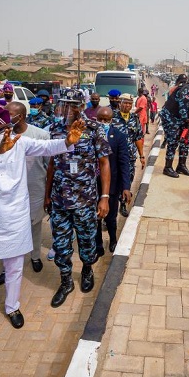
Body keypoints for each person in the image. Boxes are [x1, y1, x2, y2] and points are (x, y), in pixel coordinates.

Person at [0, 100, 83, 333]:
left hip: (14, 216)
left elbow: (47, 147)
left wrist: (68, 141)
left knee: (15, 269)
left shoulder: (20, 142)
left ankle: (12, 307)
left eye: (6, 128)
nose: (4, 134)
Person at [46, 91, 111, 308]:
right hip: (60, 200)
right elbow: (52, 165)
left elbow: (104, 164)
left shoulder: (94, 129)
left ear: (82, 106)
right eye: (66, 104)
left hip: (85, 199)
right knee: (61, 244)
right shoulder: (55, 130)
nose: (70, 108)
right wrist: (47, 195)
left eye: (74, 104)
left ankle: (86, 269)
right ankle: (65, 281)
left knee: (86, 240)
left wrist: (104, 197)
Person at [8, 101, 51, 273]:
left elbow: (49, 166)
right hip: (10, 191)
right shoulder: (3, 136)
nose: (6, 118)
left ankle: (35, 256)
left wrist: (48, 194)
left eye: (10, 115)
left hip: (35, 188)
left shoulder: (40, 135)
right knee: (11, 227)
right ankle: (8, 265)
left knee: (34, 225)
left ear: (22, 116)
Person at [95, 106, 132, 254]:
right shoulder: (91, 135)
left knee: (111, 216)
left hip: (112, 185)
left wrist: (126, 187)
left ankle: (113, 239)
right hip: (93, 184)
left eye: (106, 120)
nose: (103, 122)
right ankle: (98, 244)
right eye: (100, 119)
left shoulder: (119, 136)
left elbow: (124, 162)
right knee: (95, 217)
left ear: (111, 121)